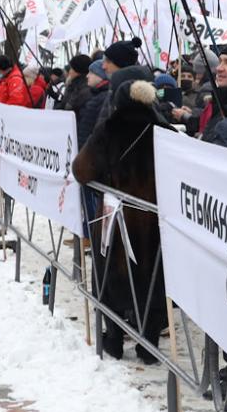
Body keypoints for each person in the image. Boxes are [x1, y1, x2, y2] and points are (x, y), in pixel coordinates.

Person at [71, 67, 175, 361]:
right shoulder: (164, 131)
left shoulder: (109, 129)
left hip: (116, 221)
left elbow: (81, 170)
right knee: (153, 281)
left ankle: (114, 340)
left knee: (113, 279)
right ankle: (148, 344)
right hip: (155, 224)